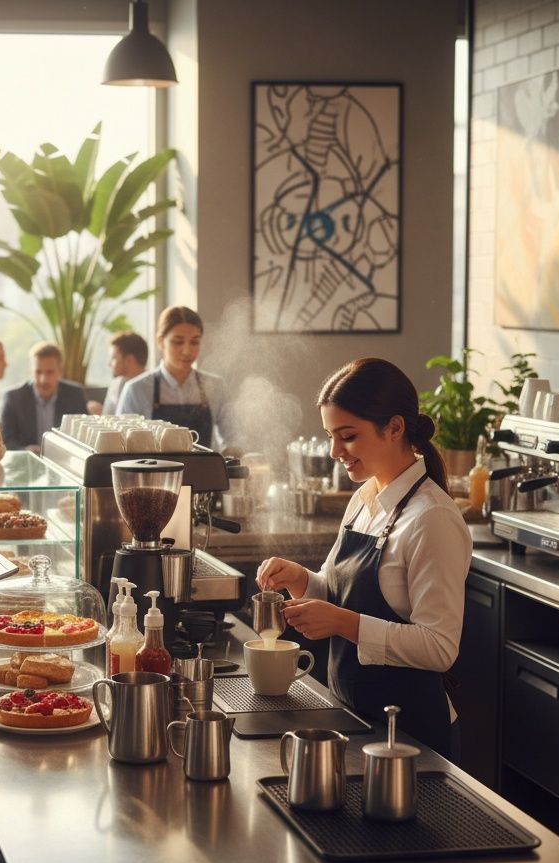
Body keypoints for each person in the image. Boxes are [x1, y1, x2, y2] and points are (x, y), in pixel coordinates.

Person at [256, 358, 472, 757]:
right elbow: (338, 592)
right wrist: (300, 579)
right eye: (330, 436)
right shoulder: (364, 498)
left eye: (348, 436)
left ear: (394, 428)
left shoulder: (432, 518)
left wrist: (344, 623)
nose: (334, 451)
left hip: (410, 737)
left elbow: (439, 647)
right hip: (352, 718)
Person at [116, 306, 236, 450]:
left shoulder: (216, 386)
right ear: (160, 341)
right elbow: (122, 445)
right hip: (153, 466)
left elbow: (233, 437)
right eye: (178, 342)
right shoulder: (137, 390)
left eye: (194, 342)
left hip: (206, 465)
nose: (187, 351)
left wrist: (233, 453)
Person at [0, 341, 87, 451]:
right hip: (27, 459)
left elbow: (84, 439)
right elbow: (6, 442)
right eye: (38, 372)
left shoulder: (75, 395)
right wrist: (26, 451)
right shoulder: (13, 398)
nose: (43, 379)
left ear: (60, 371)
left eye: (50, 372)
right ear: (31, 371)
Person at [89, 331, 148, 416]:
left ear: (129, 360)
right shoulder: (116, 384)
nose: (109, 364)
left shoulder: (152, 387)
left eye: (113, 358)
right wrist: (99, 414)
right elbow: (109, 416)